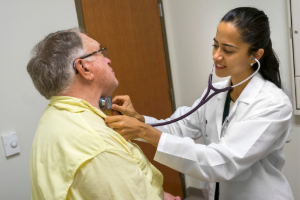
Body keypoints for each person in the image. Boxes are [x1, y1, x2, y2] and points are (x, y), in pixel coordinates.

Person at [105, 7, 294, 200]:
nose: (216, 56)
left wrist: (142, 131)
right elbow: (179, 127)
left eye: (227, 50)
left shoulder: (274, 105)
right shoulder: (215, 93)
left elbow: (222, 162)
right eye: (215, 45)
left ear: (256, 55)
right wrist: (140, 120)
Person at [27, 28, 180, 200]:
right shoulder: (98, 144)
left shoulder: (52, 119)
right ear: (84, 68)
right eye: (100, 52)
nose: (108, 59)